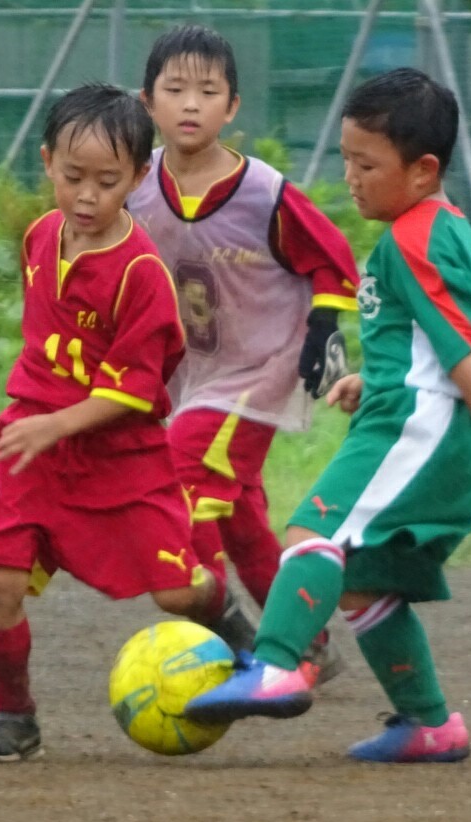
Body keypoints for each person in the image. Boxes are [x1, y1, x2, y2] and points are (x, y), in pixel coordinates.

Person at [183, 67, 471, 763]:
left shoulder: (413, 239)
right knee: (365, 579)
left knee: (316, 529)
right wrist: (376, 382)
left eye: (367, 164)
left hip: (419, 430)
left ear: (424, 170)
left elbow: (465, 349)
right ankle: (428, 722)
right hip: (420, 420)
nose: (351, 176)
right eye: (346, 158)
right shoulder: (441, 231)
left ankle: (278, 661)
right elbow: (441, 344)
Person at [0, 83, 222, 763]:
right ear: (46, 162)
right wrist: (39, 424)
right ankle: (14, 719)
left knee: (175, 592)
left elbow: (134, 393)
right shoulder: (40, 237)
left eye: (107, 181)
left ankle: (231, 620)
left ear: (138, 177)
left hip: (119, 457)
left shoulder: (142, 274)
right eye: (72, 176)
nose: (85, 195)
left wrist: (57, 424)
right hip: (32, 446)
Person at [130, 25, 360, 678]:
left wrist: (326, 328)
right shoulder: (136, 187)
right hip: (194, 376)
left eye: (209, 91)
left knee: (186, 470)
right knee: (240, 520)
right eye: (175, 90)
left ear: (233, 107)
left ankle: (219, 627)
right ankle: (307, 645)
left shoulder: (263, 191)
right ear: (147, 104)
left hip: (264, 369)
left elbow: (334, 259)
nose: (191, 104)